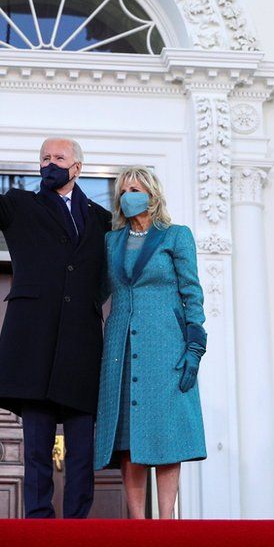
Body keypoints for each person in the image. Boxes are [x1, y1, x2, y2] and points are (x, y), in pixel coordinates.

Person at [0, 105, 112, 519]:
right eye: (44, 159)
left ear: (76, 168)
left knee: (83, 451)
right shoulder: (20, 205)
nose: (49, 165)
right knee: (36, 448)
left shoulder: (103, 219)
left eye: (58, 159)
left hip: (82, 345)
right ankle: (39, 525)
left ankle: (78, 526)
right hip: (33, 344)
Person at [94, 166, 207, 519]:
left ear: (152, 194)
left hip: (166, 345)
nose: (129, 194)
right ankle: (138, 525)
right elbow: (100, 290)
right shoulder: (111, 241)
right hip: (121, 347)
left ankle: (166, 521)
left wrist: (194, 346)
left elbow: (192, 292)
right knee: (128, 438)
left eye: (136, 188)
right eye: (124, 189)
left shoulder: (176, 236)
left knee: (166, 433)